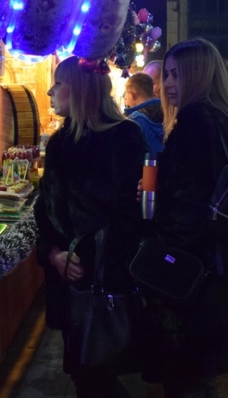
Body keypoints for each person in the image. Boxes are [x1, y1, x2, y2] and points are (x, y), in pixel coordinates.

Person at [142, 38, 228, 398]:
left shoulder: (194, 122)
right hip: (220, 267)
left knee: (188, 378)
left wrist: (156, 239)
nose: (167, 83)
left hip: (190, 274)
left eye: (177, 75)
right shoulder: (223, 120)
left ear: (198, 76)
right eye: (167, 74)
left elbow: (187, 205)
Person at [33, 56, 148, 397]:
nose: (51, 92)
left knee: (98, 371)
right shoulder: (59, 143)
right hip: (68, 278)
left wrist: (89, 254)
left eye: (58, 84)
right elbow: (46, 209)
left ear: (80, 89)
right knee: (81, 368)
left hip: (106, 276)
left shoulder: (125, 136)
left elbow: (131, 214)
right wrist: (53, 253)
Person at [123, 72, 164, 155]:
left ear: (132, 94)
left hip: (147, 166)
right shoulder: (168, 111)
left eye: (126, 96)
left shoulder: (134, 121)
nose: (126, 99)